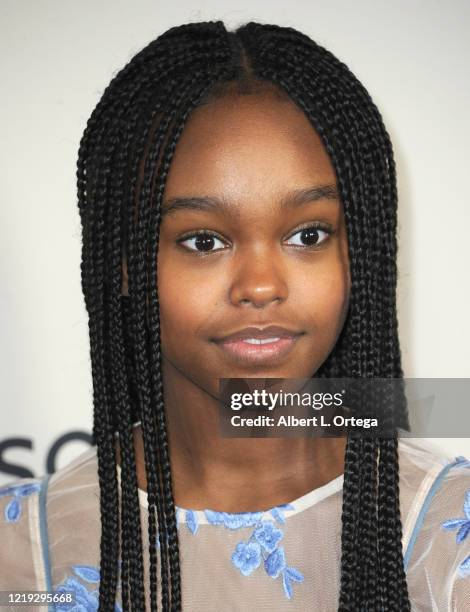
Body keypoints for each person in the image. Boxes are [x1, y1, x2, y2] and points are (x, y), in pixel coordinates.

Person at [1, 20, 470, 612]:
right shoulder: (21, 554)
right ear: (121, 259)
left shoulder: (448, 540)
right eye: (203, 241)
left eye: (309, 233)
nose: (261, 286)